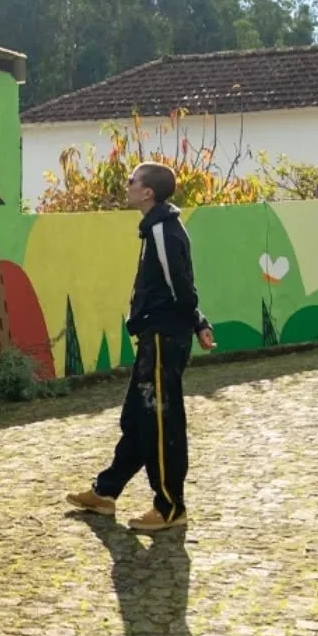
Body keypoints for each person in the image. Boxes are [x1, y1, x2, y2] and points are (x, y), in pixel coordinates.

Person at [67, 163, 215, 532]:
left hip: (165, 338)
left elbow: (181, 286)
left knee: (162, 423)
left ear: (148, 192)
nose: (127, 185)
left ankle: (170, 507)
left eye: (133, 180)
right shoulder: (155, 228)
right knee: (137, 418)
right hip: (157, 337)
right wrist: (197, 322)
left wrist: (196, 321)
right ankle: (106, 492)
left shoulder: (164, 229)